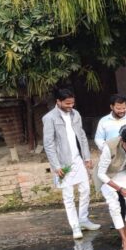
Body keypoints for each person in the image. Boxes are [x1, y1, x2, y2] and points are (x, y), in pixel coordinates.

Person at [42, 88, 100, 239]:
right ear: (58, 102)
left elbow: (81, 135)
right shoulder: (50, 118)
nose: (70, 106)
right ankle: (75, 227)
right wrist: (56, 166)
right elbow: (48, 144)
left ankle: (83, 219)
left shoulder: (76, 114)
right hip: (63, 163)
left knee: (86, 190)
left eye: (72, 103)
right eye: (67, 103)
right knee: (68, 196)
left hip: (78, 159)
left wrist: (86, 157)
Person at [94, 94, 126, 226]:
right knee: (117, 195)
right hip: (113, 162)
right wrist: (110, 150)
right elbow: (98, 139)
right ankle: (120, 220)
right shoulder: (104, 121)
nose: (122, 111)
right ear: (112, 107)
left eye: (124, 108)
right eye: (118, 108)